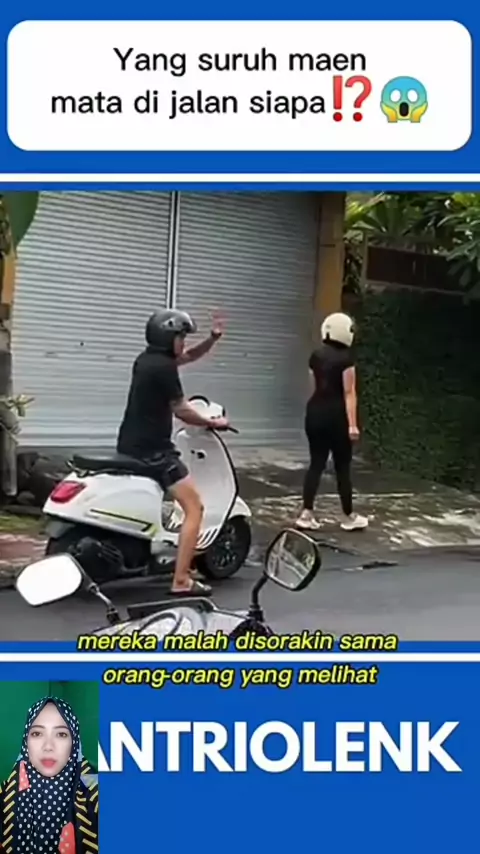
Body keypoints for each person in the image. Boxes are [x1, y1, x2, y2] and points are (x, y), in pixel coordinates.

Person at [116, 307, 229, 596]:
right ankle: (181, 580)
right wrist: (213, 422)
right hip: (155, 451)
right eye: (181, 336)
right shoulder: (163, 368)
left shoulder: (147, 360)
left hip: (131, 443)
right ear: (168, 338)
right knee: (194, 507)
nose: (183, 342)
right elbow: (182, 410)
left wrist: (212, 339)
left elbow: (188, 357)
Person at [296, 312, 368, 532]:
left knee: (316, 464)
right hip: (337, 417)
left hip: (315, 413)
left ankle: (306, 514)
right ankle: (348, 516)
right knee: (342, 467)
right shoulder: (347, 359)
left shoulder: (315, 356)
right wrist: (353, 425)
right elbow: (349, 393)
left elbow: (313, 386)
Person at [0, 696, 98, 853]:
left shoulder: (92, 786)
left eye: (61, 734)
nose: (48, 746)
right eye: (37, 733)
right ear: (26, 741)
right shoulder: (8, 791)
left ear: (74, 742)